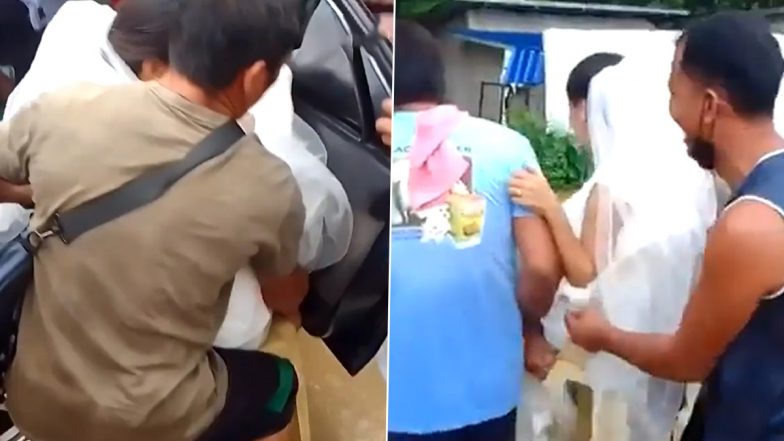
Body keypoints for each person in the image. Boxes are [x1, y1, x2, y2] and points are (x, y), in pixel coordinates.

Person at [0, 0, 308, 439]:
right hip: (152, 420)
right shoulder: (268, 184)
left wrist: (42, 190)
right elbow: (284, 294)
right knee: (281, 384)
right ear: (257, 75)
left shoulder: (65, 109)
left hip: (33, 400)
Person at [562, 11, 784, 441]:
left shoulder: (750, 226)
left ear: (709, 106)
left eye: (673, 94)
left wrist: (603, 334)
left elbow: (687, 361)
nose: (670, 115)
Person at [510, 41, 718, 439]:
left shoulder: (611, 185)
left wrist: (551, 210)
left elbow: (586, 272)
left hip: (611, 344)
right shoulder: (693, 179)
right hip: (667, 340)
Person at [387, 20, 562, 441]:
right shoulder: (506, 146)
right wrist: (531, 325)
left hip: (392, 396)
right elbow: (540, 267)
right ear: (439, 77)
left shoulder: (364, 146)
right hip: (487, 389)